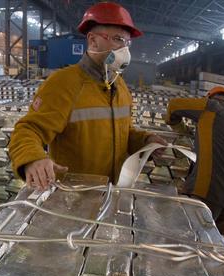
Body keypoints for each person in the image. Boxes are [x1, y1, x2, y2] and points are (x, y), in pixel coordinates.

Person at [9, 2, 166, 190]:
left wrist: (145, 140)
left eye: (127, 42)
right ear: (93, 40)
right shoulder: (63, 83)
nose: (125, 49)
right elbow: (29, 129)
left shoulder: (119, 86)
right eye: (117, 39)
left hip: (112, 191)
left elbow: (123, 133)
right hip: (73, 194)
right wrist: (33, 158)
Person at [165, 86, 224, 239]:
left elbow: (174, 105)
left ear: (209, 97)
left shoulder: (210, 107)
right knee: (216, 254)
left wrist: (181, 129)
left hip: (208, 193)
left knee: (185, 243)